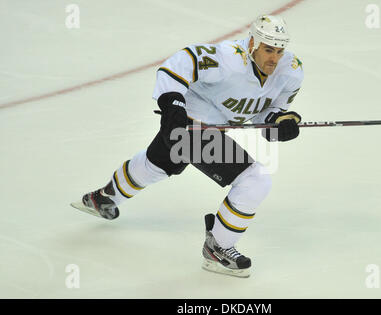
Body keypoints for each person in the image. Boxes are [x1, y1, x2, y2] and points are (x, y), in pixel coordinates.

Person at [72, 14, 304, 278]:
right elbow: (181, 62)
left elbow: (269, 112)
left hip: (201, 129)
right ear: (252, 43)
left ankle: (102, 197)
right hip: (189, 127)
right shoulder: (229, 58)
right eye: (268, 49)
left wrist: (281, 122)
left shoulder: (291, 71)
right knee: (256, 179)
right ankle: (218, 247)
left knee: (154, 166)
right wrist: (173, 103)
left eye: (279, 50)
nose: (274, 58)